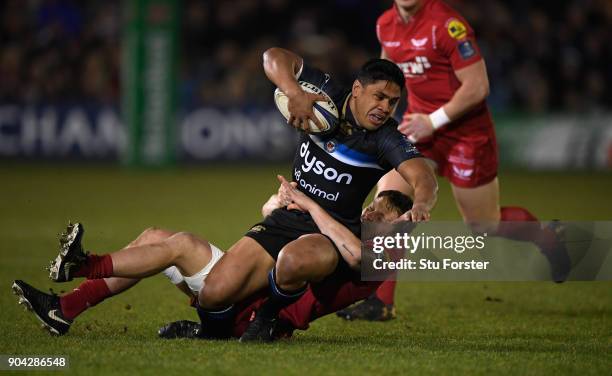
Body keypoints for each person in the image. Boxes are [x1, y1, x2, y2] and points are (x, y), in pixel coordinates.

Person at [336, 0, 571, 322]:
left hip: (466, 134)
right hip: (420, 129)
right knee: (387, 207)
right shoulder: (386, 25)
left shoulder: (446, 24)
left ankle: (547, 236)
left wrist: (433, 121)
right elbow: (385, 77)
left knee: (483, 224)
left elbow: (478, 86)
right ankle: (380, 301)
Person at [194, 47, 436, 342]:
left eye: (393, 102)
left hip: (330, 233)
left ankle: (268, 318)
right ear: (357, 90)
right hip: (288, 216)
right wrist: (292, 91)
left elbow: (423, 175)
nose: (385, 108)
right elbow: (274, 56)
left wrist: (422, 202)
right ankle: (204, 332)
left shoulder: (387, 138)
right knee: (213, 293)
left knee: (296, 260)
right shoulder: (327, 95)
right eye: (380, 97)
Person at [12, 180, 413, 339]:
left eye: (382, 216)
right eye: (372, 207)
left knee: (181, 244)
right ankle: (65, 309)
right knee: (154, 236)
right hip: (247, 292)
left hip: (252, 310)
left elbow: (352, 250)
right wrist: (279, 206)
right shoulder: (350, 233)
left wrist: (309, 203)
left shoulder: (375, 257)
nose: (370, 215)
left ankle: (83, 265)